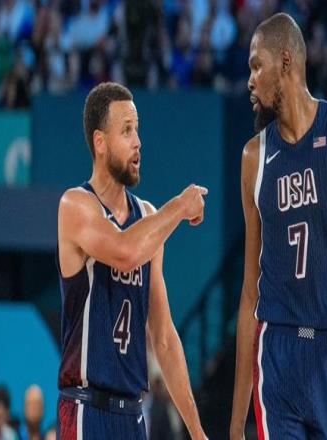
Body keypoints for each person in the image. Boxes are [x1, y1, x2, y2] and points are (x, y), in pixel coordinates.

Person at [230, 13, 327, 439]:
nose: (250, 81)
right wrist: (235, 423)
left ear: (286, 61)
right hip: (276, 350)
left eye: (257, 66)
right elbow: (249, 292)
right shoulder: (253, 158)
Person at [56, 82, 207, 440]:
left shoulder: (148, 218)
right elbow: (125, 252)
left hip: (133, 415)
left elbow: (164, 338)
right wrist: (180, 206)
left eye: (137, 129)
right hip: (86, 408)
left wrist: (197, 431)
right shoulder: (75, 205)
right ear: (100, 142)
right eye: (126, 130)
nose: (138, 141)